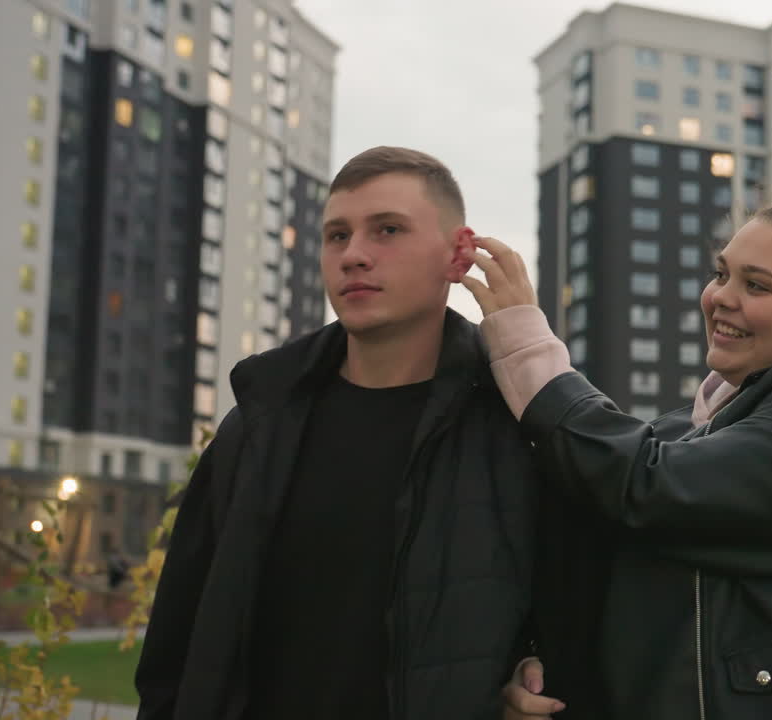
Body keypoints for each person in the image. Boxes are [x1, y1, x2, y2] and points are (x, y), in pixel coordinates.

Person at [465, 201, 772, 719]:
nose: (720, 298)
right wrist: (540, 668)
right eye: (721, 274)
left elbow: (643, 484)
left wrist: (524, 346)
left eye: (757, 286)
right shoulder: (696, 427)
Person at [135, 147, 542, 719]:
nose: (353, 255)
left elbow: (566, 613)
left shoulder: (514, 428)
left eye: (388, 230)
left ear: (458, 255)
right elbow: (177, 635)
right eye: (337, 236)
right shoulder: (257, 426)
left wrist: (530, 670)